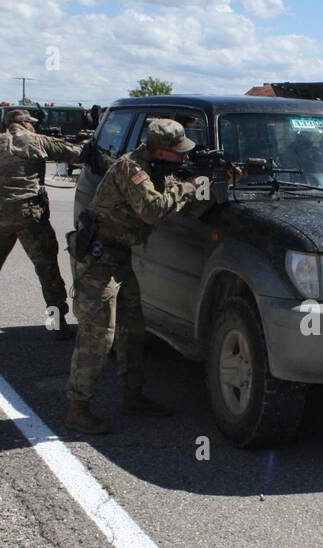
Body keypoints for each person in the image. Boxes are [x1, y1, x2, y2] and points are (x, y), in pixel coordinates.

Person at [64, 118, 234, 435]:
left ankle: (133, 397)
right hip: (99, 258)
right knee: (99, 335)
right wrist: (190, 184)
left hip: (120, 256)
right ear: (158, 149)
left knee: (133, 330)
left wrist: (218, 183)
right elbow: (152, 211)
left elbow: (188, 208)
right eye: (178, 152)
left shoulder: (161, 168)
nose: (184, 157)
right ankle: (78, 409)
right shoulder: (132, 169)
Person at [0, 109, 82, 342]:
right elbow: (76, 154)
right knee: (47, 270)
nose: (34, 127)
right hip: (29, 214)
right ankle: (56, 324)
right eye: (31, 123)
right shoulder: (38, 141)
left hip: (0, 214)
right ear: (24, 123)